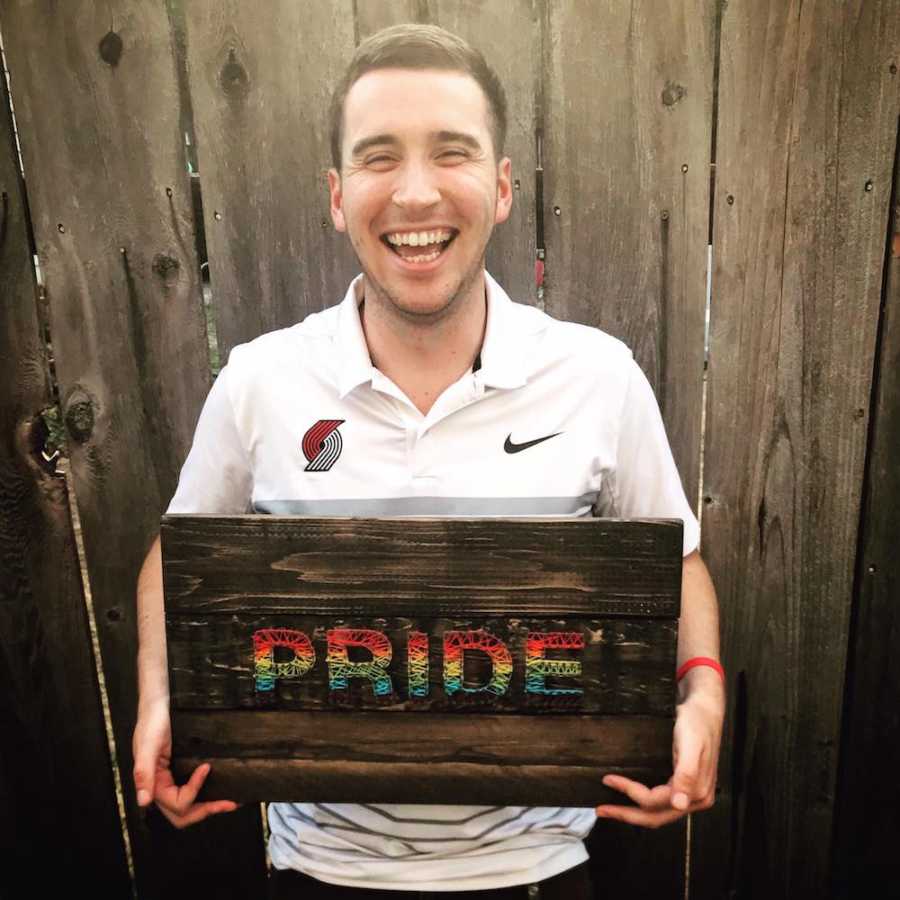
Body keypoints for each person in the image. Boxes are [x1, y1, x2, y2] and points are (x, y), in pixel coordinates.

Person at [132, 23, 725, 899]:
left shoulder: (598, 376)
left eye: (452, 152)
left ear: (501, 186)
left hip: (539, 868)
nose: (415, 194)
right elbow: (171, 561)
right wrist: (160, 698)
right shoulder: (261, 382)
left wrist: (703, 696)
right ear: (338, 195)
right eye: (379, 158)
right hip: (317, 866)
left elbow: (679, 568)